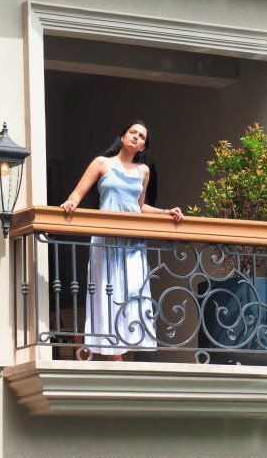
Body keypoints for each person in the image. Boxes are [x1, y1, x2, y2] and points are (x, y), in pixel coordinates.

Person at [60, 122, 183, 361]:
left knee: (133, 289)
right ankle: (113, 353)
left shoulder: (143, 171)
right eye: (132, 132)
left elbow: (139, 206)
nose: (136, 137)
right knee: (108, 288)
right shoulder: (102, 163)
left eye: (141, 136)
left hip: (133, 241)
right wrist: (70, 203)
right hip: (106, 238)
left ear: (143, 146)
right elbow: (77, 193)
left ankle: (124, 348)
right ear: (123, 136)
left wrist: (165, 212)